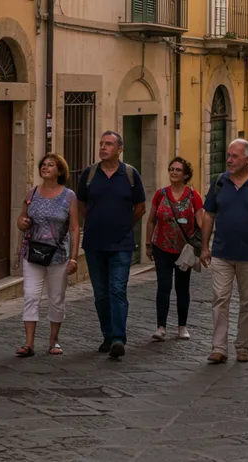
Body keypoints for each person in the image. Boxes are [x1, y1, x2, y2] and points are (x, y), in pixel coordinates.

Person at [200, 139, 248, 364]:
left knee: (247, 302)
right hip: (221, 253)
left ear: (247, 159)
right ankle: (219, 348)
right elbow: (208, 215)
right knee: (220, 299)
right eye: (228, 155)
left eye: (234, 156)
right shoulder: (218, 182)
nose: (229, 160)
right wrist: (205, 246)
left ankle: (243, 346)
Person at [77, 131, 146, 359]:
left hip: (121, 244)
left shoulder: (129, 174)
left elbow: (140, 208)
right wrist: (95, 223)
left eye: (108, 144)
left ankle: (118, 338)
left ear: (119, 149)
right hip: (95, 244)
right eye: (101, 143)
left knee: (117, 290)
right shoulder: (89, 174)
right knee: (100, 294)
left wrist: (125, 226)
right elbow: (81, 205)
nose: (103, 147)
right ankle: (107, 334)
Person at [15, 153, 80, 356]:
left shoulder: (69, 196)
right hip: (32, 252)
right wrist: (22, 222)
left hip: (57, 255)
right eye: (43, 164)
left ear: (59, 171)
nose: (45, 167)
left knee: (56, 298)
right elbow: (21, 218)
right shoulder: (32, 192)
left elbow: (74, 228)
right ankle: (29, 344)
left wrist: (74, 257)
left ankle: (53, 341)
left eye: (51, 165)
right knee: (31, 296)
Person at [145, 156, 204, 342]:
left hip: (184, 250)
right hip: (161, 247)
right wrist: (148, 244)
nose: (173, 172)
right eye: (171, 169)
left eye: (178, 170)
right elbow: (151, 220)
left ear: (185, 174)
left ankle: (182, 326)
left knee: (182, 287)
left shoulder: (194, 196)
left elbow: (202, 224)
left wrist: (202, 246)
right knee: (163, 286)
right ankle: (161, 327)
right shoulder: (161, 194)